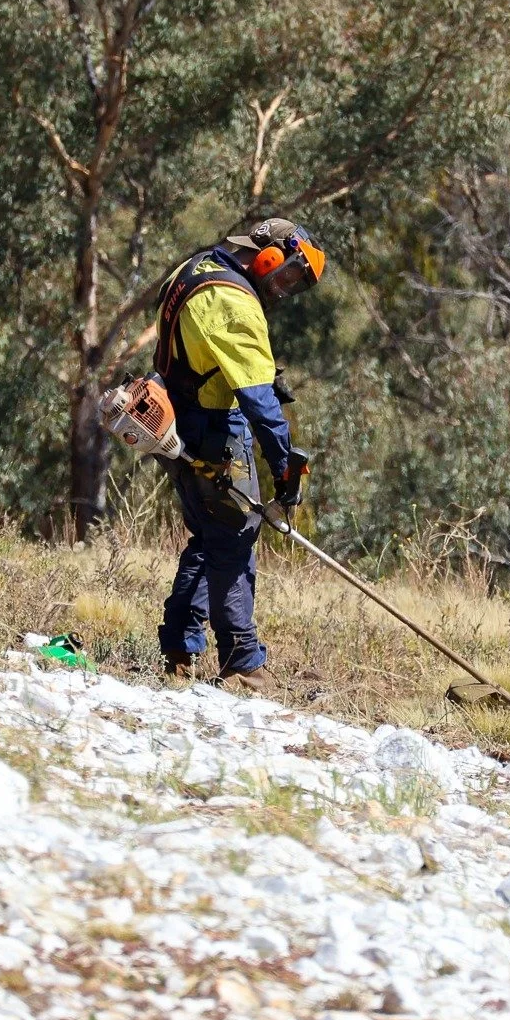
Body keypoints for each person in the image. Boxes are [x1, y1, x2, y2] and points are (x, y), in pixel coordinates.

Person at [154, 217, 326, 691]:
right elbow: (257, 404)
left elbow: (206, 351)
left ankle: (180, 646)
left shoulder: (194, 268)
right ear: (269, 253)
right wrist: (285, 466)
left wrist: (265, 376)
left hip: (174, 416)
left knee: (212, 534)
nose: (284, 289)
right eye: (289, 274)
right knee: (233, 536)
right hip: (212, 427)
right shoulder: (231, 299)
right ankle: (242, 661)